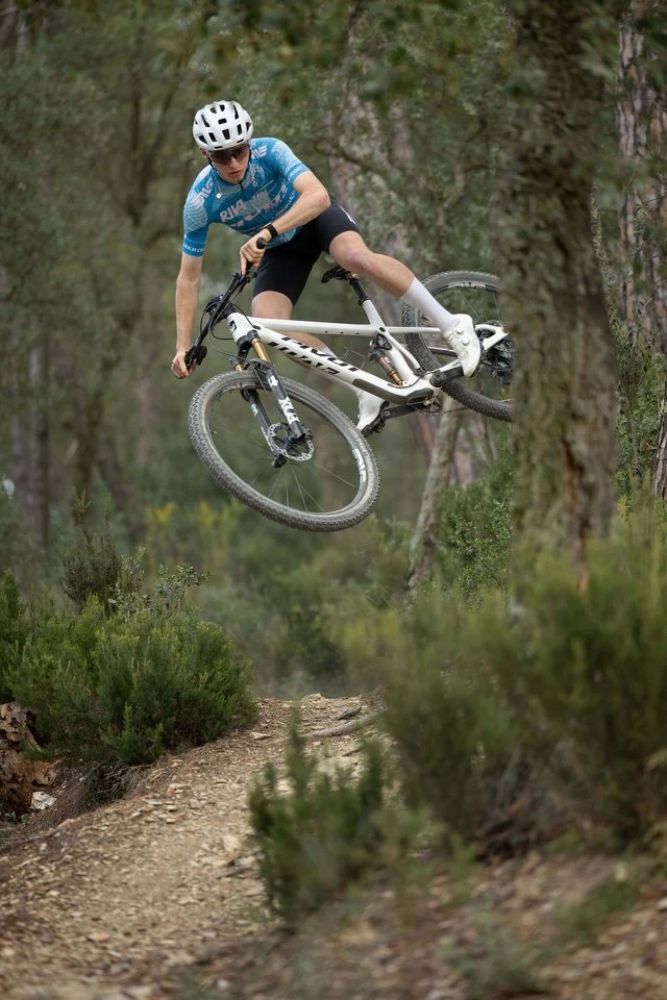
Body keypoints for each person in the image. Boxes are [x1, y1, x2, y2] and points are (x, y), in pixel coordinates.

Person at [172, 100, 481, 431]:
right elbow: (189, 278)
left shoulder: (269, 151)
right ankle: (365, 391)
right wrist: (182, 345)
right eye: (222, 156)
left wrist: (267, 231)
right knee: (270, 324)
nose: (234, 162)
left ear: (249, 143)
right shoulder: (201, 201)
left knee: (354, 256)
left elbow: (317, 197)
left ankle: (451, 323)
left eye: (239, 150)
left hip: (313, 219)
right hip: (280, 249)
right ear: (205, 154)